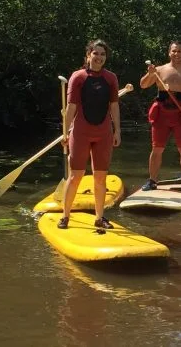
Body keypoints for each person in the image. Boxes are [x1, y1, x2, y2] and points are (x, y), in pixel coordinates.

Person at [59, 39, 121, 231]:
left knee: (100, 177)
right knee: (76, 175)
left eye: (103, 54)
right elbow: (71, 107)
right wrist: (65, 132)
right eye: (95, 53)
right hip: (81, 132)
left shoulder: (111, 78)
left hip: (104, 133)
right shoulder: (78, 77)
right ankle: (65, 216)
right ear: (88, 55)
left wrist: (117, 130)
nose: (99, 57)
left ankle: (99, 217)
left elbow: (114, 106)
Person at [139, 41, 181, 193]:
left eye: (179, 51)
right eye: (174, 51)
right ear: (169, 53)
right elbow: (143, 85)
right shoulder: (159, 70)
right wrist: (150, 73)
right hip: (162, 114)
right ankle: (152, 180)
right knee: (157, 149)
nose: (176, 54)